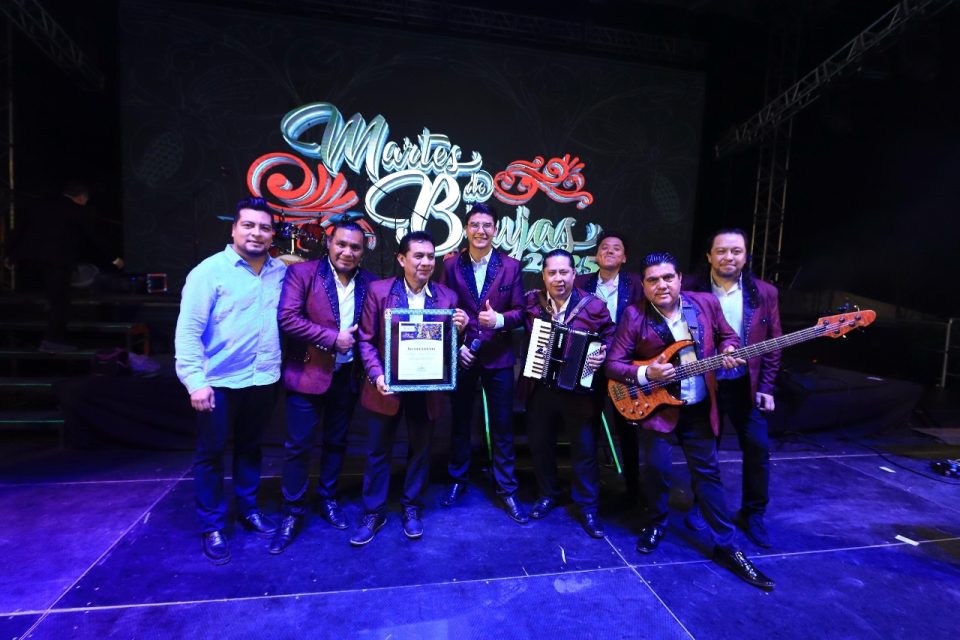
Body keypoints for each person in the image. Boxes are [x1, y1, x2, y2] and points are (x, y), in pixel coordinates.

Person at [605, 251, 775, 590]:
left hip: (698, 407)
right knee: (657, 472)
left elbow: (728, 337)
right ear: (644, 285)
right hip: (657, 408)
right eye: (653, 280)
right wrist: (646, 373)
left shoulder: (705, 304)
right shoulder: (634, 315)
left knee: (708, 475)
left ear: (680, 279)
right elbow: (613, 364)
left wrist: (729, 350)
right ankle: (657, 523)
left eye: (668, 277)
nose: (662, 285)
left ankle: (727, 545)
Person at [174, 197, 286, 565]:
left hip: (263, 378)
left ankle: (248, 508)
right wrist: (195, 381)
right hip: (219, 381)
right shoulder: (208, 272)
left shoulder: (280, 272)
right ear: (234, 229)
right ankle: (212, 525)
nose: (256, 233)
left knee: (251, 449)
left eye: (264, 227)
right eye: (248, 225)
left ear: (273, 234)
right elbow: (188, 332)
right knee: (210, 455)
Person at [351, 230, 468, 546]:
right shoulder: (379, 291)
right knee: (378, 452)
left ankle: (412, 506)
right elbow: (365, 340)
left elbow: (447, 349)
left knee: (420, 451)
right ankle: (373, 512)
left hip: (426, 388)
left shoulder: (447, 297)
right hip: (386, 386)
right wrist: (377, 375)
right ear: (401, 259)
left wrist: (460, 330)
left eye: (431, 256)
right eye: (418, 256)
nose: (426, 262)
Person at [269, 219, 376, 554]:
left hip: (347, 376)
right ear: (329, 243)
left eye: (355, 247)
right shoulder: (302, 273)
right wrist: (332, 338)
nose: (347, 252)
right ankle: (292, 511)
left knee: (336, 443)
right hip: (307, 374)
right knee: (298, 447)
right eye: (341, 244)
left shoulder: (370, 282)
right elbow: (287, 318)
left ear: (362, 251)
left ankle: (328, 498)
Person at [682, 229, 782, 548]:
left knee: (757, 449)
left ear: (746, 256)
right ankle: (703, 505)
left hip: (745, 386)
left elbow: (774, 343)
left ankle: (753, 514)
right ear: (709, 256)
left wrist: (766, 386)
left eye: (736, 251)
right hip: (705, 385)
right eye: (722, 251)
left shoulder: (764, 293)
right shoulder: (689, 290)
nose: (729, 257)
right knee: (704, 451)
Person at [436, 203, 527, 524]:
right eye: (475, 225)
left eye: (487, 225)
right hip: (463, 355)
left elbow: (521, 312)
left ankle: (507, 488)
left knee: (503, 426)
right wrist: (457, 344)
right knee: (459, 422)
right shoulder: (449, 265)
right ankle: (457, 479)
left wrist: (499, 319)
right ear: (466, 229)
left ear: (495, 230)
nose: (481, 231)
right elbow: (442, 308)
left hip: (498, 358)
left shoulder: (511, 266)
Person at [523, 249, 615, 539]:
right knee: (540, 445)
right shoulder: (533, 303)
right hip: (541, 387)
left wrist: (603, 353)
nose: (558, 278)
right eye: (552, 273)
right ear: (543, 276)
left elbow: (611, 336)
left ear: (574, 274)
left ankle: (588, 507)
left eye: (564, 272)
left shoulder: (593, 306)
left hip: (580, 392)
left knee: (584, 449)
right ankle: (548, 493)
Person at [3, 180, 124, 353]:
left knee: (48, 297)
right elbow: (93, 236)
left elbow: (20, 230)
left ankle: (43, 336)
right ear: (81, 197)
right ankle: (51, 340)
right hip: (58, 262)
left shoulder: (41, 207)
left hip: (32, 261)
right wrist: (114, 258)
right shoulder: (76, 210)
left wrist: (10, 254)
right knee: (60, 302)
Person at [573, 230, 645, 506]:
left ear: (624, 257)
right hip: (589, 366)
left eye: (616, 248)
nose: (610, 251)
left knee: (627, 430)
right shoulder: (581, 284)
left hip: (623, 369)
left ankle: (633, 491)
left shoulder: (636, 285)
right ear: (596, 255)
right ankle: (588, 493)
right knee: (585, 429)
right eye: (604, 247)